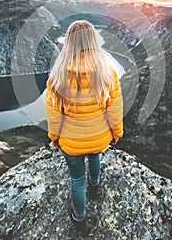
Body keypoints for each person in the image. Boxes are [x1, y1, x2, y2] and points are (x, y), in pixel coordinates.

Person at [45, 20, 123, 235]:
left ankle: (80, 219)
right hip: (99, 136)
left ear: (69, 43)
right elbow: (114, 108)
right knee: (95, 155)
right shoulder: (107, 73)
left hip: (71, 141)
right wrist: (116, 132)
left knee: (76, 179)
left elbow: (54, 114)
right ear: (93, 41)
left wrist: (54, 137)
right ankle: (95, 185)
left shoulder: (57, 77)